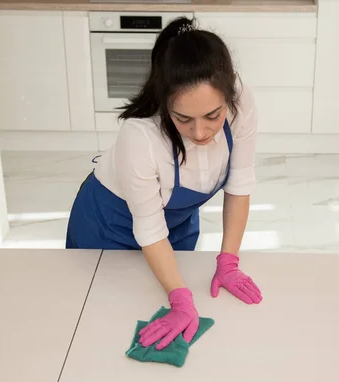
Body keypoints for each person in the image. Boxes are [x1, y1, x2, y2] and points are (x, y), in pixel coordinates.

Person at [65, 16, 262, 350]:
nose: (200, 133)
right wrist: (180, 299)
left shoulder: (241, 103)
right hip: (108, 226)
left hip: (176, 224)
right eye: (183, 119)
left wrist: (228, 262)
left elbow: (239, 185)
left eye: (212, 116)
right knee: (100, 327)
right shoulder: (140, 136)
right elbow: (150, 228)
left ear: (229, 94)